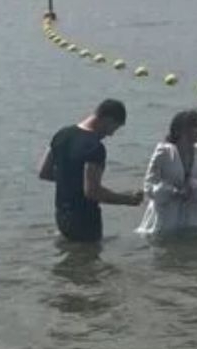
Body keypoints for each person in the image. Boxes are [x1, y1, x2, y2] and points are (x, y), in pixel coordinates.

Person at [38, 99, 143, 242]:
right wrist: (128, 199)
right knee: (91, 259)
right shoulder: (94, 147)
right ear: (107, 119)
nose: (111, 134)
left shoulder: (61, 134)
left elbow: (43, 172)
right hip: (85, 219)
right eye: (114, 128)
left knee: (72, 257)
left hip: (61, 215)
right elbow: (92, 191)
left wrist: (70, 179)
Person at [135, 109, 197, 236]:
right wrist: (173, 192)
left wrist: (194, 188)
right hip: (165, 217)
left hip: (195, 218)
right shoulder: (163, 152)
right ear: (181, 130)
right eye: (195, 126)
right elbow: (148, 187)